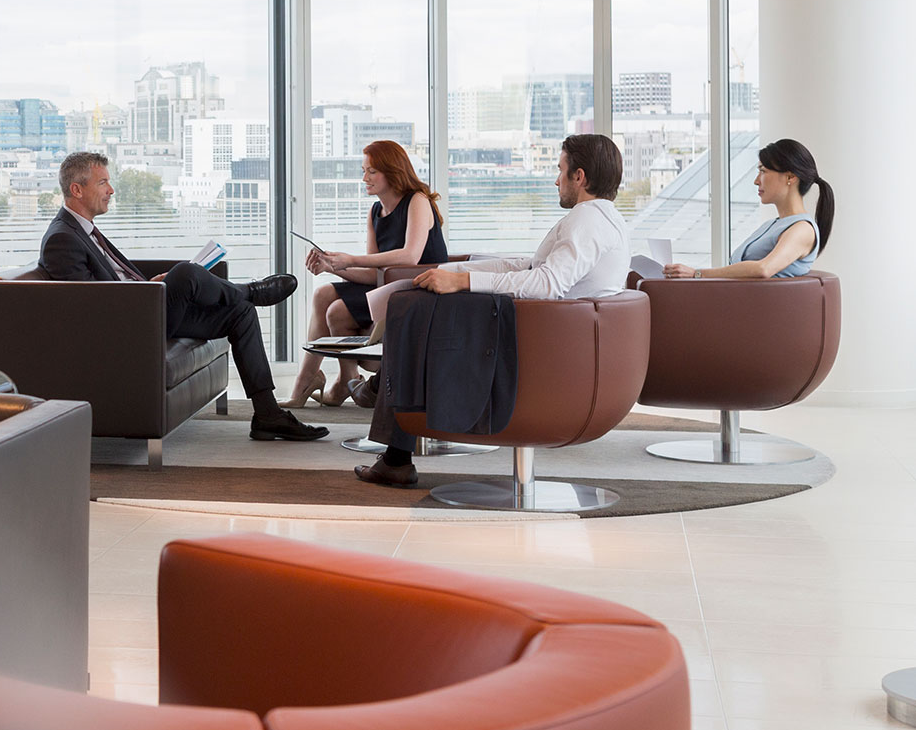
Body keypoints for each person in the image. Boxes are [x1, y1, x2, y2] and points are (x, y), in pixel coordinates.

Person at [354, 133, 631, 486]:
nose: (556, 179)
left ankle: (385, 392)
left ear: (580, 177)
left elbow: (547, 284)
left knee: (411, 306)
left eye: (561, 170)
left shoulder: (586, 221)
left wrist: (464, 283)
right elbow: (532, 267)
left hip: (540, 350)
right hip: (554, 339)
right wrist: (456, 272)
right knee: (414, 301)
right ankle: (390, 429)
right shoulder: (604, 219)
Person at [39, 152, 328, 442]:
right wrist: (146, 294)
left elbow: (111, 283)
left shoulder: (83, 230)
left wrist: (147, 285)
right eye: (103, 183)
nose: (111, 190)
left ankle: (268, 415)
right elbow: (89, 306)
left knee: (240, 313)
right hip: (128, 329)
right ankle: (250, 291)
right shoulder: (62, 239)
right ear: (77, 189)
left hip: (143, 309)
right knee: (185, 274)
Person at [285, 140, 448, 409]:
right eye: (364, 171)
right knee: (323, 292)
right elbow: (375, 274)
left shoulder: (417, 202)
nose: (364, 178)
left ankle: (343, 382)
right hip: (389, 288)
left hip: (418, 290)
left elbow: (410, 257)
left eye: (372, 171)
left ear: (393, 171)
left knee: (336, 311)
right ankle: (314, 379)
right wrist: (333, 266)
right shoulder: (375, 211)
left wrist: (350, 260)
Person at [664, 138, 834, 280]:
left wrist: (696, 274)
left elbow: (764, 269)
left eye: (763, 171)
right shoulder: (773, 225)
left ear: (790, 177)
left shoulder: (802, 229)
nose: (756, 181)